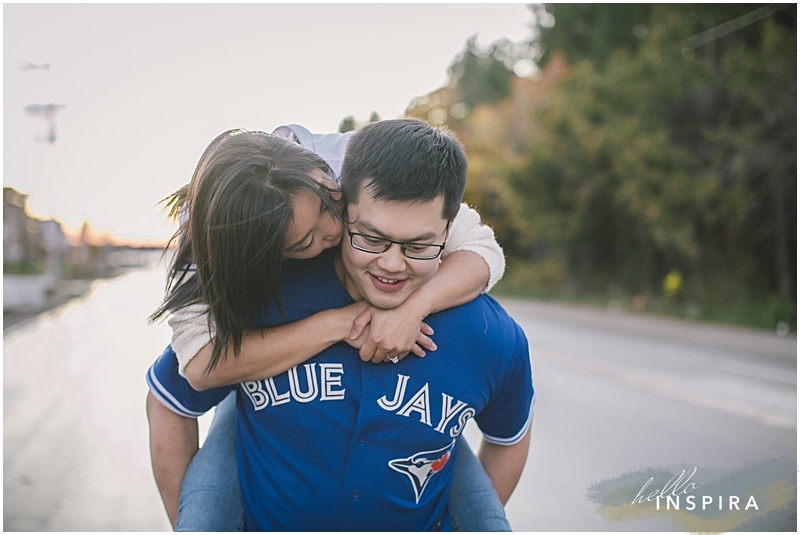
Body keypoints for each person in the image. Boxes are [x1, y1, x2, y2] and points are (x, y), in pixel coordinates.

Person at [147, 119, 534, 531]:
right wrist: (338, 323)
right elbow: (198, 367)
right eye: (304, 243)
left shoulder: (364, 166)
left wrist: (412, 307)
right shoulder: (232, 267)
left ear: (334, 186)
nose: (333, 231)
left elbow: (481, 247)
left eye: (329, 207)